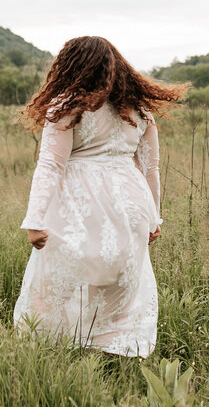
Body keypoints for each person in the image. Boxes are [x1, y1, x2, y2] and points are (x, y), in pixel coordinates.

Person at [12, 36, 188, 357]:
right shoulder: (140, 112)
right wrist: (154, 216)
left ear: (69, 68)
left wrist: (35, 218)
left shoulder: (66, 108)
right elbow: (151, 169)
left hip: (79, 204)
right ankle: (110, 349)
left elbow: (51, 164)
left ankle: (58, 350)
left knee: (61, 278)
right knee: (119, 280)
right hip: (130, 204)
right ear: (117, 69)